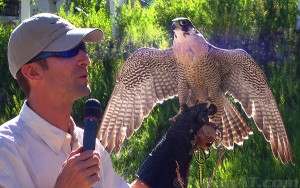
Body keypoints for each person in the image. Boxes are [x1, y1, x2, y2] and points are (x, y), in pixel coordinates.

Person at [0, 13, 217, 188]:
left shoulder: (89, 144)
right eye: (68, 51)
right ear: (32, 72)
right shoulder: (7, 150)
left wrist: (171, 149)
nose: (85, 59)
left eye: (83, 49)